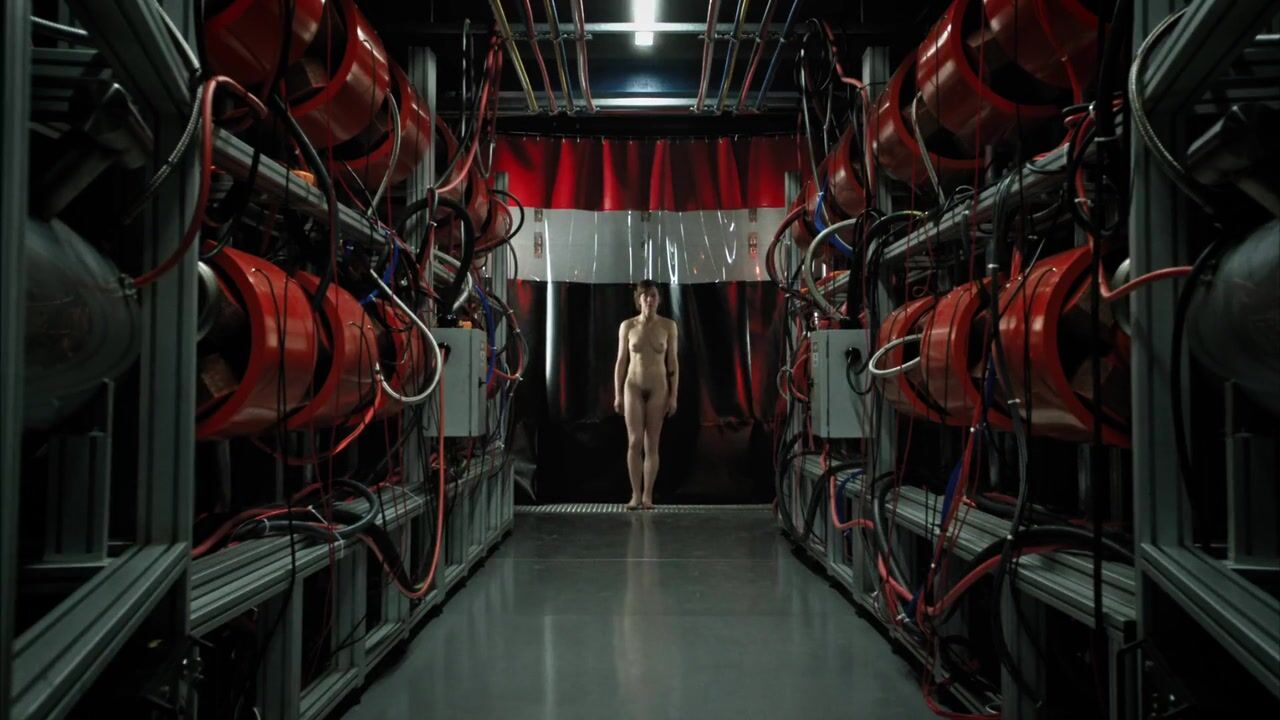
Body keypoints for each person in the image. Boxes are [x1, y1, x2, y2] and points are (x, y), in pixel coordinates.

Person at [613, 279, 679, 510]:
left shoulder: (668, 326)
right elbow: (621, 361)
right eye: (645, 296)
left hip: (658, 387)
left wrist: (674, 395)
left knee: (652, 444)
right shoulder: (627, 326)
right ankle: (635, 494)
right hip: (633, 385)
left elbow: (673, 362)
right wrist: (617, 394)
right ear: (638, 300)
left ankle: (647, 495)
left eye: (653, 296)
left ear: (658, 300)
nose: (649, 300)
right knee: (634, 441)